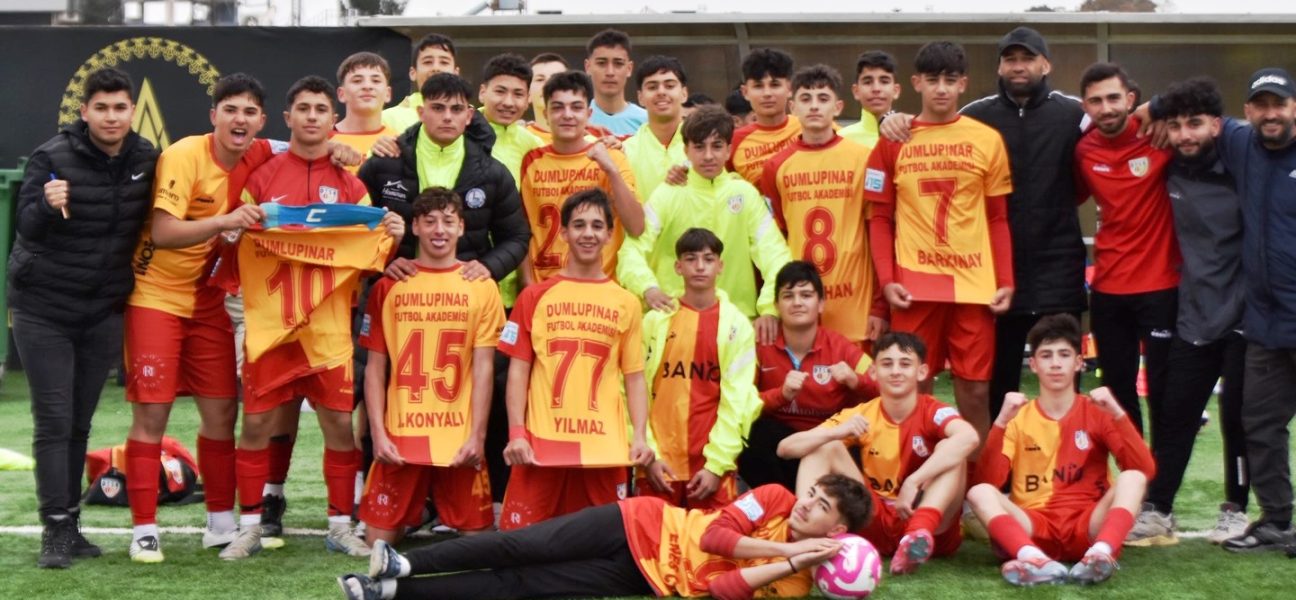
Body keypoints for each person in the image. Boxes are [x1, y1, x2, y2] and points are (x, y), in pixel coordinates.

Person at [219, 76, 404, 560]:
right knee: (257, 425)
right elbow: (232, 243)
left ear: (332, 118)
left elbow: (372, 257)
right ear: (288, 117)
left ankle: (340, 526)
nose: (312, 117)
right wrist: (236, 232)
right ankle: (250, 527)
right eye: (303, 108)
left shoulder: (352, 185)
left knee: (339, 426)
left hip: (327, 328)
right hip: (271, 326)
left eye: (321, 110)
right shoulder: (261, 176)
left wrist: (393, 235)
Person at [122, 73, 280, 564]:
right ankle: (144, 530)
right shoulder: (184, 155)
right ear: (213, 116)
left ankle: (219, 523)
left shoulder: (261, 151)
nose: (239, 120)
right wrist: (225, 222)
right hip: (155, 295)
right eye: (230, 110)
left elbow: (302, 144)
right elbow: (164, 232)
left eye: (249, 112)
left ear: (261, 121)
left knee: (222, 413)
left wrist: (340, 147)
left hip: (209, 300)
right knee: (153, 414)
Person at [10, 67, 157, 568]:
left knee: (78, 422)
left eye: (120, 107)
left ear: (131, 111)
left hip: (102, 309)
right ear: (84, 111)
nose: (111, 117)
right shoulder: (52, 156)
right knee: (54, 420)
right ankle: (54, 528)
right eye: (102, 108)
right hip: (43, 308)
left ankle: (70, 524)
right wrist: (46, 206)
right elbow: (24, 226)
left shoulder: (146, 157)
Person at [336, 474, 872, 600]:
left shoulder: (795, 584)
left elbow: (720, 589)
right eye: (813, 493)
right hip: (641, 521)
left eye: (821, 506)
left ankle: (395, 591)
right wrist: (787, 548)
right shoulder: (776, 496)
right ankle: (405, 562)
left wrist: (792, 564)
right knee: (521, 544)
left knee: (522, 585)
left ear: (838, 532)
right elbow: (715, 538)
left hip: (644, 578)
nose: (807, 503)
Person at [1170, 67, 1296, 552]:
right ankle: (1276, 521)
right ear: (1246, 113)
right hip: (1264, 325)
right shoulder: (1242, 145)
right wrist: (1153, 109)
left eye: (1279, 104)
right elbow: (1185, 110)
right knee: (1258, 424)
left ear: (1293, 108)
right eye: (1262, 105)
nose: (1271, 114)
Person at [865, 41, 1014, 442]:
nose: (942, 89)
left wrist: (1005, 280)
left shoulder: (987, 139)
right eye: (933, 80)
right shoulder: (893, 139)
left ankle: (974, 475)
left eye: (950, 80)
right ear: (916, 83)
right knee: (912, 387)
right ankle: (917, 470)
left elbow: (998, 217)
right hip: (914, 285)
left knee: (975, 391)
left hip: (973, 285)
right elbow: (880, 218)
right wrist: (887, 281)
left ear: (963, 83)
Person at [1125, 77, 1250, 547]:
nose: (1185, 135)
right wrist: (1153, 111)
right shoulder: (1168, 164)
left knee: (1237, 418)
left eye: (1195, 124)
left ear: (1216, 125)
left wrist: (1159, 103)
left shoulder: (1242, 160)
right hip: (1193, 315)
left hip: (1243, 318)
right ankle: (1159, 509)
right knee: (1175, 414)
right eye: (1176, 126)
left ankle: (1236, 510)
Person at [497, 190, 655, 530]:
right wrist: (517, 433)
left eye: (597, 226)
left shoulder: (627, 302)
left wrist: (640, 436)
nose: (588, 233)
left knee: (605, 542)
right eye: (579, 225)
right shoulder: (533, 296)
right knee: (519, 541)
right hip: (541, 444)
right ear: (564, 232)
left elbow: (634, 377)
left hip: (604, 446)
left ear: (610, 234)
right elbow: (518, 372)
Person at [357, 187, 503, 545]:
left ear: (461, 227)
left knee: (478, 544)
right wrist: (378, 434)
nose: (439, 230)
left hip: (457, 436)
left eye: (448, 222)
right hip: (402, 434)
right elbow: (374, 368)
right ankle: (419, 511)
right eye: (430, 221)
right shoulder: (389, 286)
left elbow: (484, 369)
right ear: (415, 227)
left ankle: (428, 511)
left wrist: (477, 436)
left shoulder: (482, 287)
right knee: (378, 542)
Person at [966, 314, 1155, 586]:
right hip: (1034, 527)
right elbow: (989, 481)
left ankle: (1101, 553)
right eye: (1046, 355)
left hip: (1088, 525)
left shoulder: (1097, 411)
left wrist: (1117, 413)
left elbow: (1144, 470)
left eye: (1064, 355)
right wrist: (1000, 423)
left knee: (1133, 478)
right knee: (979, 492)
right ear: (1033, 364)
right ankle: (1033, 559)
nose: (1055, 363)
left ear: (1078, 362)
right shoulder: (1018, 416)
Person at [959, 27, 1088, 422]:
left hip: (1059, 269)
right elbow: (931, 131)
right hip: (999, 272)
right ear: (999, 67)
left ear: (1045, 65)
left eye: (1028, 59)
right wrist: (894, 122)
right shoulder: (975, 117)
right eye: (1010, 59)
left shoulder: (1074, 114)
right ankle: (1000, 459)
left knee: (1063, 380)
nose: (1019, 67)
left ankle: (1069, 455)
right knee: (1000, 384)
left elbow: (1121, 122)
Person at [779, 332, 976, 575]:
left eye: (905, 364)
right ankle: (805, 537)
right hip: (876, 518)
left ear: (922, 372)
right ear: (873, 372)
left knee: (953, 447)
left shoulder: (933, 410)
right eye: (887, 364)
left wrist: (914, 481)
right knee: (823, 445)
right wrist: (837, 432)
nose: (896, 371)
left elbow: (969, 437)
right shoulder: (862, 413)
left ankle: (917, 533)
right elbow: (785, 448)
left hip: (932, 523)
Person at [1073, 62, 1178, 439]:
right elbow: (1069, 196)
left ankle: (1162, 476)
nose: (1106, 108)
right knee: (1117, 392)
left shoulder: (1158, 134)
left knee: (1164, 392)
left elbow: (1202, 103)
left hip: (1161, 286)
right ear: (1085, 107)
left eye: (1114, 98)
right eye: (1096, 101)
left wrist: (1160, 105)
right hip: (1108, 288)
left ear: (1131, 99)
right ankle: (1134, 470)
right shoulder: (1083, 151)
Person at [617, 105, 790, 329]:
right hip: (674, 323)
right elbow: (631, 251)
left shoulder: (745, 195)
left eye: (716, 146)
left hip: (735, 326)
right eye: (699, 147)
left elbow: (775, 255)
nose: (708, 156)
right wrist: (648, 288)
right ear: (686, 151)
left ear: (728, 150)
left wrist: (769, 309)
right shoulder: (667, 194)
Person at [638, 228, 763, 510]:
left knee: (715, 537)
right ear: (678, 267)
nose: (700, 266)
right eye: (691, 258)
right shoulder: (654, 322)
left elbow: (737, 403)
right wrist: (649, 455)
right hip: (658, 465)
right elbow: (634, 391)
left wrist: (716, 465)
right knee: (653, 537)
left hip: (711, 469)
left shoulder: (737, 326)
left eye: (708, 259)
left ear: (720, 266)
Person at [762, 64, 886, 349]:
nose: (814, 106)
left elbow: (878, 234)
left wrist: (879, 306)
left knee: (857, 378)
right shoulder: (775, 167)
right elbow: (773, 242)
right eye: (806, 99)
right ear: (793, 108)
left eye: (823, 98)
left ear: (838, 107)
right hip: (799, 305)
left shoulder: (866, 159)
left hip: (856, 308)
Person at [359, 72, 529, 269]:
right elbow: (355, 228)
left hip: (465, 286)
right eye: (438, 108)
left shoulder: (493, 173)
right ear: (421, 112)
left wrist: (488, 268)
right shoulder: (383, 163)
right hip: (397, 284)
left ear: (469, 116)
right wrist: (385, 265)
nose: (447, 117)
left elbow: (516, 237)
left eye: (456, 109)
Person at [739, 262, 878, 491]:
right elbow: (741, 404)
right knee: (754, 432)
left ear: (821, 303)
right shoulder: (760, 347)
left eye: (806, 295)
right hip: (781, 448)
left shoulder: (840, 347)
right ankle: (779, 501)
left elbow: (885, 387)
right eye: (788, 296)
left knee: (854, 438)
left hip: (829, 440)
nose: (797, 302)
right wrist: (781, 395)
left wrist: (856, 381)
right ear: (776, 305)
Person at [517, 70, 642, 286]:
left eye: (576, 107)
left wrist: (611, 170)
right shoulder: (531, 161)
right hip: (545, 289)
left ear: (589, 113)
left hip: (600, 289)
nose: (567, 115)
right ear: (545, 114)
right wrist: (529, 288)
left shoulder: (612, 158)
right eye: (558, 107)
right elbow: (521, 232)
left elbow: (636, 226)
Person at [728, 48, 800, 185]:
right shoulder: (733, 141)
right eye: (758, 86)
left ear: (789, 88)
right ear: (745, 92)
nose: (767, 93)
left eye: (775, 85)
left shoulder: (810, 128)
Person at [621, 55, 688, 200]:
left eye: (669, 86)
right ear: (640, 97)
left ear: (684, 93)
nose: (661, 92)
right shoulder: (625, 151)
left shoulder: (704, 147)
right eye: (652, 87)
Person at [478, 53, 544, 184]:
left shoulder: (533, 145)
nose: (508, 102)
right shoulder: (459, 135)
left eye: (518, 94)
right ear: (482, 93)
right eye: (500, 92)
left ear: (528, 99)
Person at [383, 33, 459, 133]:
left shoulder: (471, 117)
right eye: (428, 62)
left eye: (444, 62)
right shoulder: (387, 119)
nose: (436, 68)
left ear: (456, 73)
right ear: (413, 73)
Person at [332, 52, 398, 165]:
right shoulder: (322, 143)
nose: (367, 86)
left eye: (376, 81)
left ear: (388, 93)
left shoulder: (398, 144)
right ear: (341, 94)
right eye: (357, 81)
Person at [585, 28, 647, 135]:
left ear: (629, 69)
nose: (610, 72)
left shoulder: (648, 122)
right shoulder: (576, 121)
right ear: (588, 67)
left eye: (618, 64)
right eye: (601, 63)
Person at [839, 50, 900, 149]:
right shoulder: (841, 140)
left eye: (884, 81)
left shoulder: (912, 137)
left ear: (896, 90)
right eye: (867, 82)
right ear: (856, 91)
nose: (876, 89)